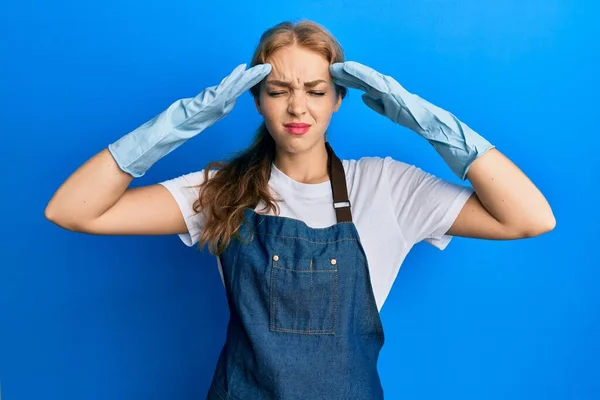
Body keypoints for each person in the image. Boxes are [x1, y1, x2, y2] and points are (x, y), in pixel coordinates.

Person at [45, 20, 555, 400]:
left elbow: (529, 218)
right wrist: (176, 125)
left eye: (315, 90)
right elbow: (74, 211)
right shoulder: (222, 190)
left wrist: (428, 122)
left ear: (338, 99)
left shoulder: (386, 185)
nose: (298, 108)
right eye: (278, 90)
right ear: (254, 99)